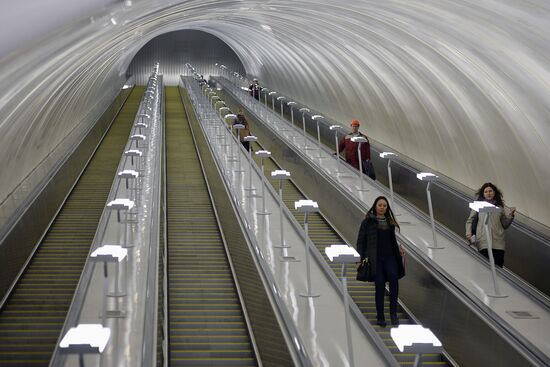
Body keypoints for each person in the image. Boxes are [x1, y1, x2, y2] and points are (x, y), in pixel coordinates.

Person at [356, 196, 405, 327]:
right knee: (380, 284)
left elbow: (393, 240)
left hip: (390, 257)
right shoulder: (367, 222)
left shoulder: (390, 222)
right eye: (380, 205)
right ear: (375, 206)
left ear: (387, 208)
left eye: (384, 205)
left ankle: (393, 314)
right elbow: (361, 241)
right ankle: (380, 316)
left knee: (394, 278)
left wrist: (399, 249)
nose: (382, 207)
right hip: (375, 258)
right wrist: (359, 258)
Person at [465, 182, 515, 267]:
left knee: (498, 266)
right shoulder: (478, 206)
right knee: (485, 267)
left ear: (494, 192)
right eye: (486, 192)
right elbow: (470, 220)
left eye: (490, 191)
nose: (488, 193)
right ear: (483, 194)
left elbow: (504, 224)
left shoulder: (500, 207)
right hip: (483, 241)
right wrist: (468, 233)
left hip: (498, 242)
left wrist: (511, 215)